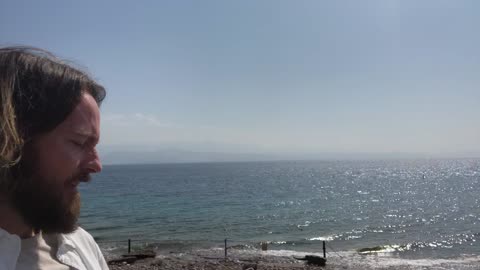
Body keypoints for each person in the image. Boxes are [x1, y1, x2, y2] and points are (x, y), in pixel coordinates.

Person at [0, 47, 108, 270]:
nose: (97, 165)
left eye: (94, 145)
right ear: (9, 142)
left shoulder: (80, 244)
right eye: (79, 143)